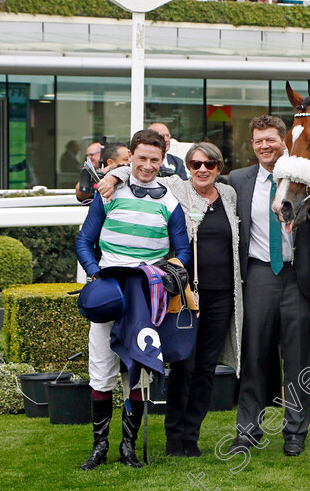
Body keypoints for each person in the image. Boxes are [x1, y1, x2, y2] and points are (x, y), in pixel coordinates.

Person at [97, 142, 244, 458]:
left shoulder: (229, 196)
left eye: (210, 164)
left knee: (206, 368)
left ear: (219, 167)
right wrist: (114, 176)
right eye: (195, 164)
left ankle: (191, 436)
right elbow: (142, 171)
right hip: (185, 295)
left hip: (222, 296)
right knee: (183, 364)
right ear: (187, 166)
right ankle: (174, 436)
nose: (202, 169)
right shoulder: (175, 188)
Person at [75, 129, 191, 471]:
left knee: (136, 370)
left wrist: (168, 275)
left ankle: (128, 446)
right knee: (101, 371)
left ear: (162, 159)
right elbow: (84, 240)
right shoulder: (110, 192)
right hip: (110, 291)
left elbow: (182, 250)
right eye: (141, 158)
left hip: (145, 294)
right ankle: (99, 447)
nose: (147, 166)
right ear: (131, 158)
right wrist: (97, 274)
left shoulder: (170, 201)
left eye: (154, 160)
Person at [227, 115, 310, 457]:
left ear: (283, 142)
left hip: (299, 278)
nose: (264, 146)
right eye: (258, 140)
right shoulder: (238, 181)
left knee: (298, 359)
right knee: (254, 356)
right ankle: (248, 431)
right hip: (258, 276)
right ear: (252, 144)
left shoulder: (308, 181)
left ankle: (295, 432)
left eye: (270, 140)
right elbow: (190, 185)